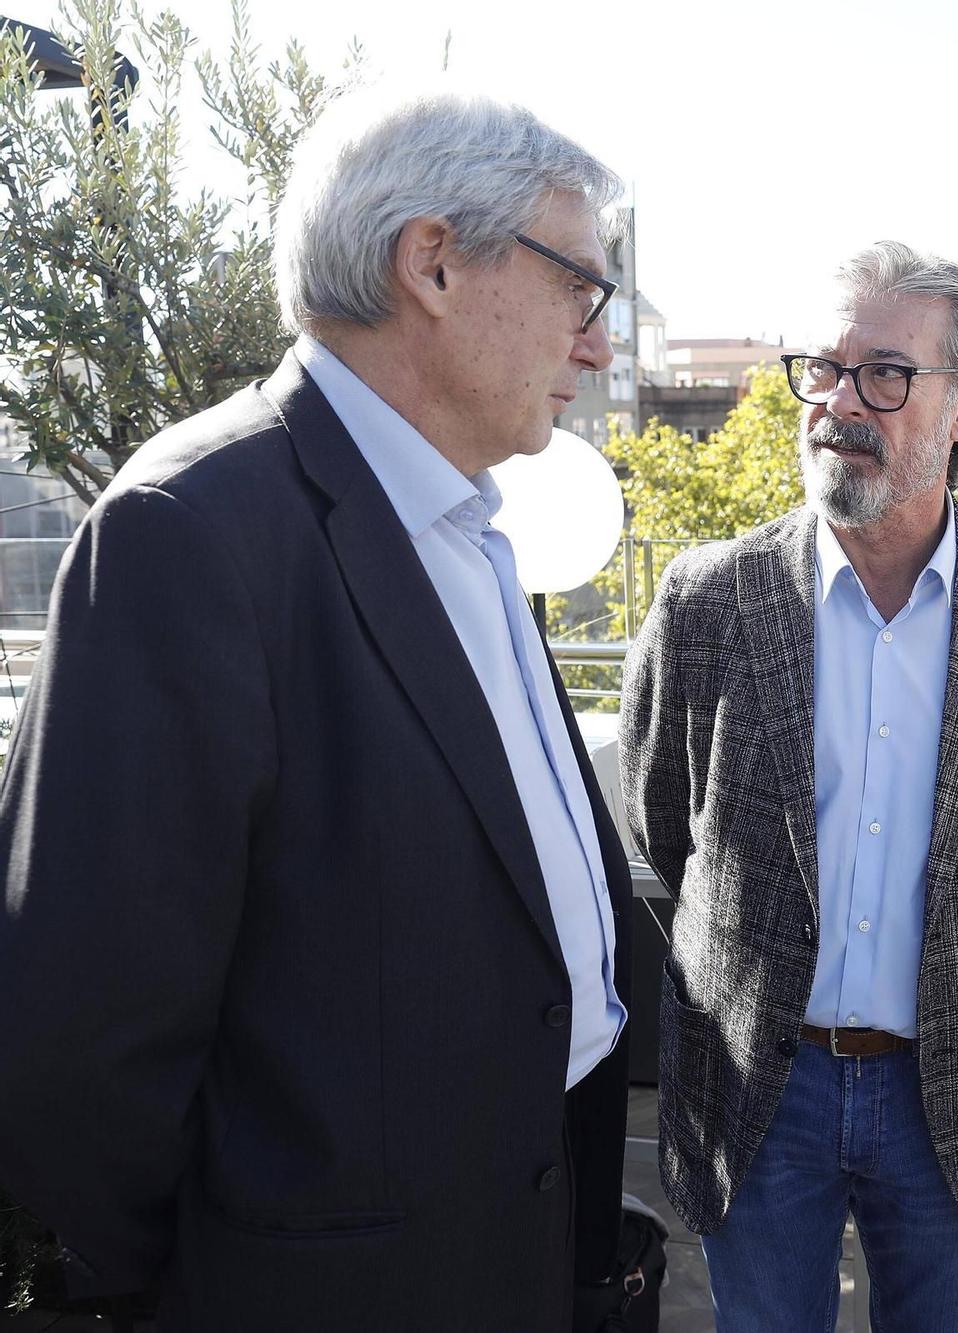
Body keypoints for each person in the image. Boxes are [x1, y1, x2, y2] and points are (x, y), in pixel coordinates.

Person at [0, 90, 636, 1331]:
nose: (598, 345)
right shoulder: (189, 531)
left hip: (513, 1246)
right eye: (580, 287)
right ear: (433, 263)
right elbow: (82, 1035)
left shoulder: (466, 522)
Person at [619, 240, 958, 1330]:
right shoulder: (707, 600)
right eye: (822, 368)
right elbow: (663, 820)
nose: (839, 403)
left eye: (885, 374)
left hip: (953, 1084)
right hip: (757, 1081)